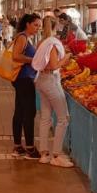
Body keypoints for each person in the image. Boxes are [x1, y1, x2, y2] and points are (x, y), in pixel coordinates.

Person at [33, 14, 74, 168]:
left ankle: (44, 154)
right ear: (57, 27)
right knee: (63, 118)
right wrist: (67, 57)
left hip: (41, 81)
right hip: (51, 81)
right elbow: (54, 65)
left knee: (45, 117)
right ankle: (57, 155)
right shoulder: (52, 44)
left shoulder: (41, 42)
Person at [11, 13, 42, 160]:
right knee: (29, 113)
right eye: (36, 25)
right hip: (24, 79)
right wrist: (34, 60)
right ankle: (30, 147)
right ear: (28, 24)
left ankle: (18, 146)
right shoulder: (23, 37)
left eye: (39, 25)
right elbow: (16, 56)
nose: (38, 28)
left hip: (22, 79)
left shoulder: (25, 37)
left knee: (20, 111)